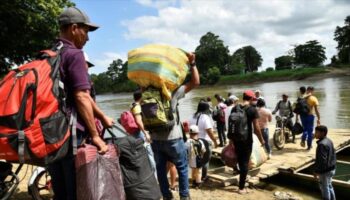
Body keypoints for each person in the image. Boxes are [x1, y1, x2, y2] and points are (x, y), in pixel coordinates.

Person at [48, 7, 114, 200]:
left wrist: (102, 116)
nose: (88, 38)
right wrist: (96, 136)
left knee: (60, 192)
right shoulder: (74, 54)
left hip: (51, 135)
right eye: (86, 31)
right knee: (79, 192)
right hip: (72, 137)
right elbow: (82, 96)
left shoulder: (48, 54)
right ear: (74, 28)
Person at [150, 53, 200, 200]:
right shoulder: (172, 92)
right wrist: (192, 63)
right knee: (182, 168)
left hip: (155, 139)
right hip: (173, 138)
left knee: (160, 169)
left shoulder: (146, 93)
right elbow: (195, 82)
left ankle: (166, 195)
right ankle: (184, 196)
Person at [228, 90, 265, 194]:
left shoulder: (235, 108)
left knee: (240, 160)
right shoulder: (252, 110)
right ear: (252, 99)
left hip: (235, 138)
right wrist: (262, 140)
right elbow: (257, 128)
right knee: (245, 163)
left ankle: (242, 177)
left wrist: (230, 139)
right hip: (246, 140)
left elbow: (231, 125)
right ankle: (241, 188)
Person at [189, 101, 218, 182]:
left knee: (195, 160)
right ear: (206, 109)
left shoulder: (192, 116)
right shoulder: (205, 117)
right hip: (205, 141)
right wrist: (215, 141)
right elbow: (209, 131)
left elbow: (188, 129)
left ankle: (194, 177)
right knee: (205, 160)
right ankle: (203, 177)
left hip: (194, 141)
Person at [131, 90, 156, 171]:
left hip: (135, 133)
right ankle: (154, 173)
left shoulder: (132, 105)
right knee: (150, 153)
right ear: (141, 97)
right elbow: (138, 121)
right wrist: (146, 133)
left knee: (146, 153)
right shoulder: (137, 107)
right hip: (140, 132)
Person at [314, 125, 336, 200]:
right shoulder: (329, 140)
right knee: (329, 186)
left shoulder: (321, 144)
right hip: (332, 168)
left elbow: (322, 160)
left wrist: (317, 171)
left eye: (317, 132)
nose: (315, 134)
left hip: (325, 171)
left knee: (324, 188)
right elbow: (333, 154)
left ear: (323, 133)